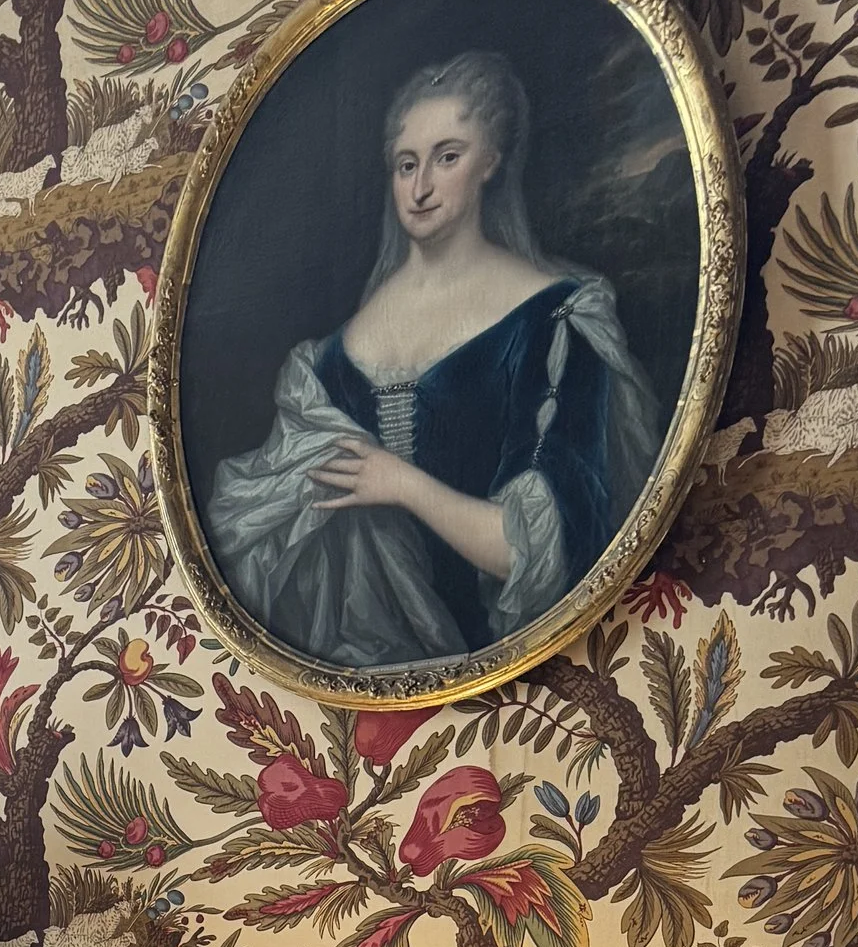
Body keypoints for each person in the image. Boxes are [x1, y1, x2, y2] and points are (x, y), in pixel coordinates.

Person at [203, 50, 662, 672]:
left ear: (491, 162)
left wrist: (402, 485)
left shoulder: (553, 322)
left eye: (448, 157)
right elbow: (266, 557)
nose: (420, 188)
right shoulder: (325, 363)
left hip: (529, 678)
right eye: (406, 164)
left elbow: (542, 549)